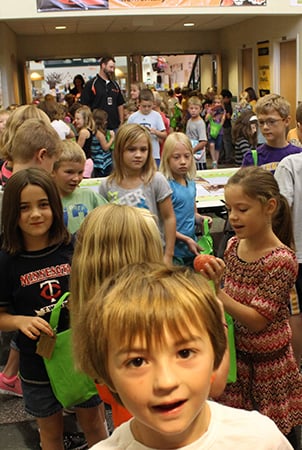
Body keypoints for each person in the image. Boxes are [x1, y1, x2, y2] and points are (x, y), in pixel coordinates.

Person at [72, 262, 292, 450]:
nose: (166, 382)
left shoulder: (260, 440)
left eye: (184, 353)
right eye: (137, 361)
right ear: (105, 374)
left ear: (215, 353)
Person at [0, 168, 108, 450]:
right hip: (36, 364)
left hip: (80, 357)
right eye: (24, 208)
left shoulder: (71, 247)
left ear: (55, 206)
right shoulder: (6, 260)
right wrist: (20, 322)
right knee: (50, 434)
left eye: (43, 204)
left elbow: (97, 292)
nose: (35, 214)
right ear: (12, 211)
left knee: (95, 424)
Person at [203, 166, 302, 448]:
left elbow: (258, 320)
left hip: (268, 369)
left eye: (242, 209)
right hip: (237, 362)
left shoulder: (281, 259)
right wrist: (214, 282)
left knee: (272, 437)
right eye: (229, 208)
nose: (232, 217)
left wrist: (217, 294)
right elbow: (229, 300)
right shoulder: (234, 245)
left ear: (269, 206)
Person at [98, 123, 176, 265]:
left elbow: (169, 217)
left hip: (153, 255)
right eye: (131, 149)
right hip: (121, 257)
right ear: (119, 151)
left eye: (143, 149)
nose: (138, 155)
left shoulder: (156, 180)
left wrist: (168, 255)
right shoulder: (107, 186)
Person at [160, 132, 212, 267]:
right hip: (173, 252)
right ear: (167, 159)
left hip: (191, 248)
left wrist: (201, 219)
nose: (183, 161)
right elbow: (162, 224)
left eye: (187, 156)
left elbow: (192, 213)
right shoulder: (166, 187)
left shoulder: (191, 184)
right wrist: (185, 239)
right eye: (176, 157)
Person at [275, 152, 302, 367]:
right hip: (295, 255)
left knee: (295, 312)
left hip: (295, 254)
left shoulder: (290, 165)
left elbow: (281, 212)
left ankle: (296, 367)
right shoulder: (290, 165)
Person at [52, 140, 107, 234]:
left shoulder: (90, 196)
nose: (76, 178)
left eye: (80, 172)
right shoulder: (46, 201)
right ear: (52, 171)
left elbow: (111, 218)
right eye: (69, 172)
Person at [242, 93, 302, 171]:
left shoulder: (298, 154)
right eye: (261, 122)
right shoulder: (252, 157)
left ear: (286, 121)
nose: (265, 127)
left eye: (271, 121)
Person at [79, 56, 125, 131]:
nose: (112, 70)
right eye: (110, 67)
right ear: (103, 65)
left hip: (114, 125)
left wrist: (121, 121)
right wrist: (88, 122)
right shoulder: (91, 84)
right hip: (97, 127)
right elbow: (84, 105)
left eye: (113, 68)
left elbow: (120, 104)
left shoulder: (115, 85)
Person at [127, 88, 167, 166]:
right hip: (137, 155)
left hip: (154, 154)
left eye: (149, 106)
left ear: (153, 104)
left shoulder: (157, 116)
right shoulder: (133, 117)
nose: (147, 109)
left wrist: (155, 132)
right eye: (144, 106)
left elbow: (164, 134)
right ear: (139, 103)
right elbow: (126, 134)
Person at [91, 108, 115, 177]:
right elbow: (105, 148)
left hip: (95, 159)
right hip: (102, 162)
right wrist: (112, 138)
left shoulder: (92, 131)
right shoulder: (100, 134)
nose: (106, 122)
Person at [185, 96, 207, 169]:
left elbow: (203, 141)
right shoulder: (189, 121)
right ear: (188, 109)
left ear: (200, 109)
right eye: (191, 108)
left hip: (198, 158)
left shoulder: (200, 123)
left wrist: (193, 150)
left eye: (196, 108)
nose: (193, 110)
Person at [205, 94, 226, 168]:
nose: (217, 104)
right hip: (211, 129)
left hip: (219, 131)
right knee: (211, 144)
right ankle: (213, 160)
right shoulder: (210, 109)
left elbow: (223, 120)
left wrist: (220, 124)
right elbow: (206, 119)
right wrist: (211, 113)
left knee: (218, 147)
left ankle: (215, 163)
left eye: (219, 102)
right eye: (215, 102)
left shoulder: (223, 111)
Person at [73, 105, 95, 178]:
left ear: (85, 119)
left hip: (85, 161)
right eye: (75, 118)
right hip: (87, 160)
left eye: (78, 119)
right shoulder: (88, 130)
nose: (75, 121)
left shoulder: (83, 132)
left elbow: (78, 148)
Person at [220, 88, 234, 164]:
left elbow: (228, 116)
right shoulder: (227, 105)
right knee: (226, 142)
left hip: (224, 126)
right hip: (226, 126)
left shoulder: (225, 106)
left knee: (225, 142)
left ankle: (226, 157)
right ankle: (227, 157)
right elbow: (229, 116)